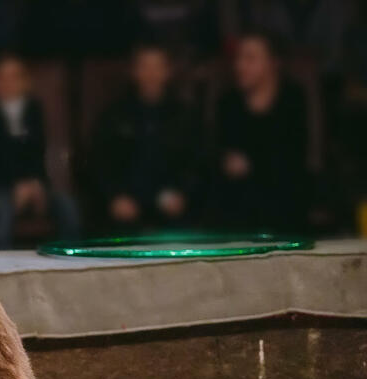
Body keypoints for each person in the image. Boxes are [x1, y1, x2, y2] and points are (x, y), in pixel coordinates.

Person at [91, 44, 201, 231]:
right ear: (133, 72)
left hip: (173, 205)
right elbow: (99, 163)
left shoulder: (185, 116)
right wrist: (115, 196)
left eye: (157, 67)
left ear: (168, 71)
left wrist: (183, 193)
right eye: (144, 67)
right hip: (124, 206)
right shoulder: (114, 115)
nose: (151, 74)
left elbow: (197, 163)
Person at [0, 54, 79, 247]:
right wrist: (16, 186)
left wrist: (35, 183)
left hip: (35, 182)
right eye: (2, 77)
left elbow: (38, 152)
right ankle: (0, 267)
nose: (8, 83)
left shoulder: (33, 110)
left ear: (25, 82)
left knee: (67, 207)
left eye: (15, 77)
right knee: (1, 218)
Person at [214, 31, 309, 231]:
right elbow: (216, 155)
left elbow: (294, 161)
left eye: (250, 58)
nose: (240, 66)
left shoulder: (293, 100)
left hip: (286, 207)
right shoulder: (228, 103)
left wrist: (253, 165)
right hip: (237, 211)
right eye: (238, 58)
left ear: (274, 63)